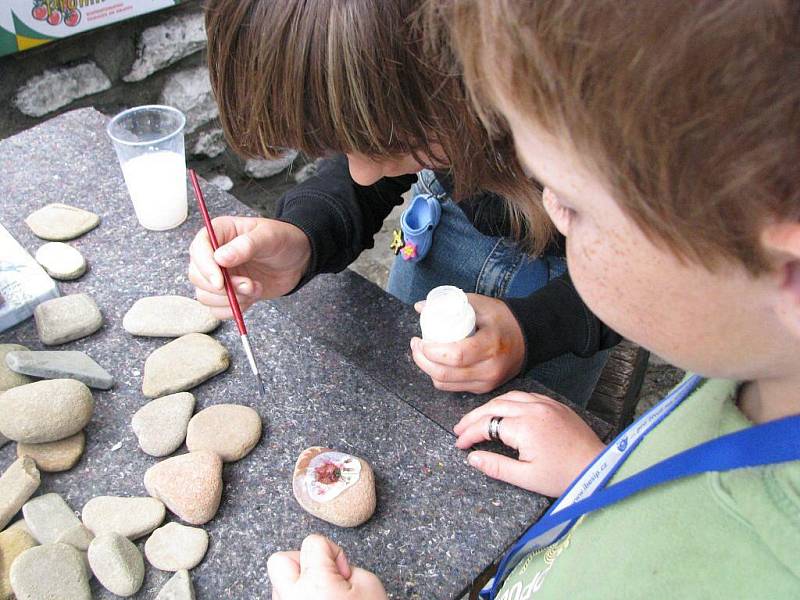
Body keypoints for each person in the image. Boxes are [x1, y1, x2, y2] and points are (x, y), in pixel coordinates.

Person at [265, 0, 800, 597]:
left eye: (571, 202)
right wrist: (598, 473)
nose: (546, 210)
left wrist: (541, 328)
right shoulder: (747, 373)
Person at [189, 0, 618, 408]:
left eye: (397, 144)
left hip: (591, 276)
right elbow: (372, 147)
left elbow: (658, 275)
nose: (362, 173)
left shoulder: (612, 98)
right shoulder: (433, 90)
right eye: (343, 146)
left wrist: (538, 330)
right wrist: (306, 234)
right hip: (444, 222)